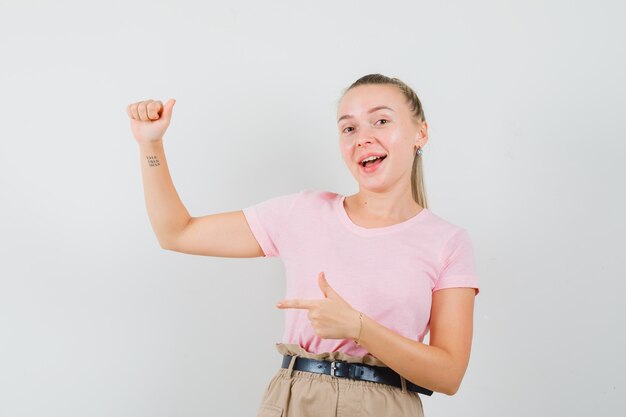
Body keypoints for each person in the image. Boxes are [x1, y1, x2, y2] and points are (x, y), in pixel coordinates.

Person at [126, 73, 480, 417]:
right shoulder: (303, 212)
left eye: (381, 121)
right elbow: (176, 233)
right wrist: (150, 145)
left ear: (421, 133)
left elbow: (449, 375)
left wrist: (359, 327)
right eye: (349, 128)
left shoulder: (447, 242)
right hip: (296, 399)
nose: (363, 138)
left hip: (386, 406)